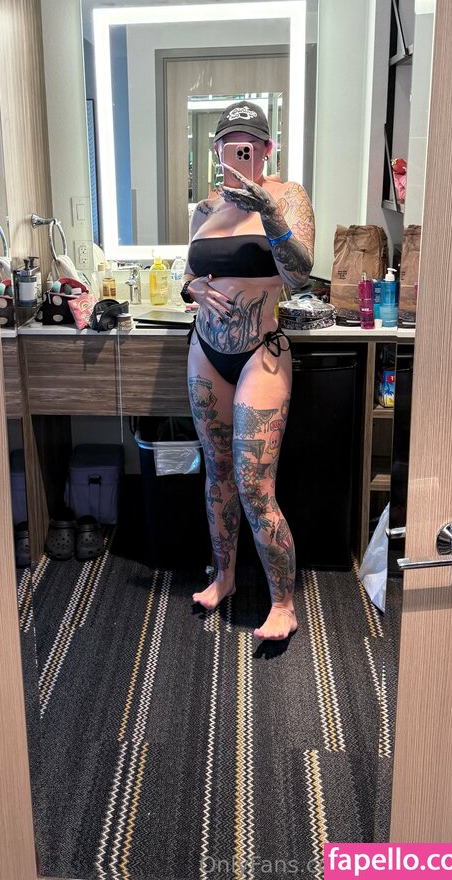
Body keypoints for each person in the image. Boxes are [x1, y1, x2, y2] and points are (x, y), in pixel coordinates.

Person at [180, 100, 315, 641]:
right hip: (205, 352)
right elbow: (188, 273)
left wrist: (269, 212)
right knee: (216, 476)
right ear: (216, 150)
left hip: (262, 352)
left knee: (255, 485)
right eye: (229, 144)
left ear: (267, 149)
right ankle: (226, 577)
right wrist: (193, 288)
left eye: (250, 145)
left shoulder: (288, 196)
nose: (240, 152)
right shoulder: (203, 208)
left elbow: (300, 276)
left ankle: (283, 604)